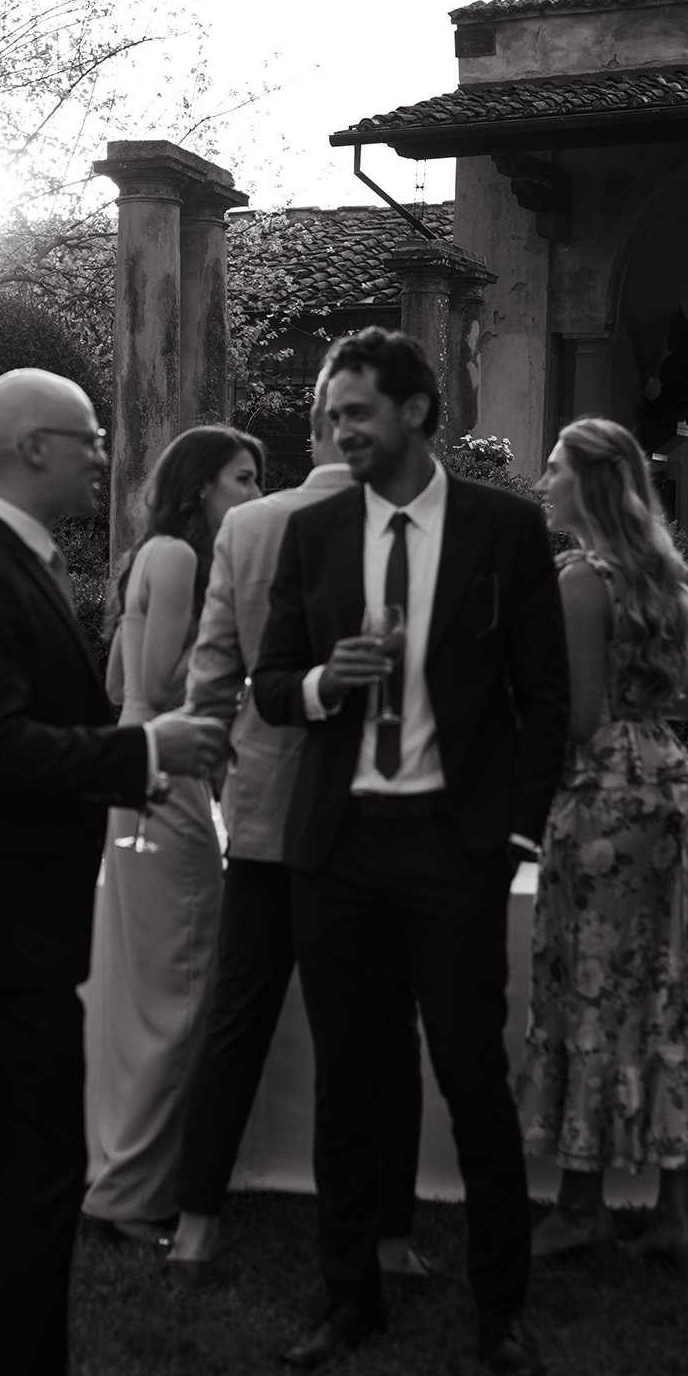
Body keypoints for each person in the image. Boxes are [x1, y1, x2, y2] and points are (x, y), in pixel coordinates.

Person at [0, 371, 227, 1376]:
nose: (101, 452)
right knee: (30, 1185)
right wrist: (143, 751)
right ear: (32, 448)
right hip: (2, 940)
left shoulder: (7, 561)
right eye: (86, 437)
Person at [253, 328, 569, 1376]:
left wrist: (511, 837)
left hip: (452, 845)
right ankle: (347, 1301)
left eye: (356, 412)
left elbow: (545, 698)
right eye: (331, 414)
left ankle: (500, 1312)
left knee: (472, 1079)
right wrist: (319, 685)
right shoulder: (312, 532)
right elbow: (268, 682)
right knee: (350, 1081)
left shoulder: (504, 531)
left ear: (418, 411)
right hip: (336, 845)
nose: (338, 430)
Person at [167, 365, 429, 1288]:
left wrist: (220, 766)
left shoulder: (245, 524)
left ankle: (196, 1221)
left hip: (268, 808)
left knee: (238, 1015)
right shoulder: (408, 526)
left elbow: (210, 675)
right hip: (379, 814)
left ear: (307, 432)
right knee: (381, 1032)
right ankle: (388, 1236)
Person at [517, 417, 688, 1264]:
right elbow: (675, 704)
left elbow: (571, 715)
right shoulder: (666, 579)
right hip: (665, 782)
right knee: (663, 987)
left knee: (588, 987)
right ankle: (675, 1213)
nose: (541, 481)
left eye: (554, 467)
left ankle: (580, 1204)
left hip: (600, 793)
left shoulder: (579, 580)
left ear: (591, 483)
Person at [82, 424, 264, 1241]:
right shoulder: (187, 559)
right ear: (200, 489)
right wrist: (243, 664)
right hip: (167, 776)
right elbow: (159, 683)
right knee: (182, 989)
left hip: (134, 773)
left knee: (140, 989)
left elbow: (121, 682)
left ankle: (120, 1173)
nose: (255, 496)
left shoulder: (146, 555)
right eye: (243, 479)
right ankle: (134, 1195)